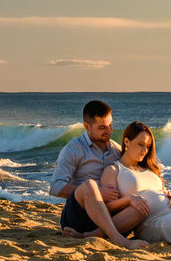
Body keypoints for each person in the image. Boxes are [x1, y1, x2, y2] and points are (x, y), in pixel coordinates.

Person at [49, 100, 150, 249]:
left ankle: (93, 236)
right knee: (90, 185)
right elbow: (56, 187)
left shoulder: (116, 150)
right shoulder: (73, 149)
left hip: (110, 212)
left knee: (141, 206)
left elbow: (139, 173)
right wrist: (98, 193)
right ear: (87, 127)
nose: (108, 131)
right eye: (102, 127)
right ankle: (118, 239)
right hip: (79, 217)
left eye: (110, 125)